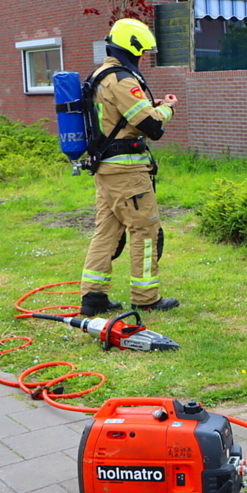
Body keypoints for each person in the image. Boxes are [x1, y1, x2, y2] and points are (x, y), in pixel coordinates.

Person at [79, 18, 179, 316]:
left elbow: (122, 115)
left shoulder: (99, 74)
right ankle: (146, 297)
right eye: (141, 52)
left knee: (107, 232)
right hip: (127, 173)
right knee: (145, 230)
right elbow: (152, 125)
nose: (142, 58)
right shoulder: (122, 79)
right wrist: (167, 108)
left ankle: (93, 297)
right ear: (131, 47)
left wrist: (151, 107)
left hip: (106, 169)